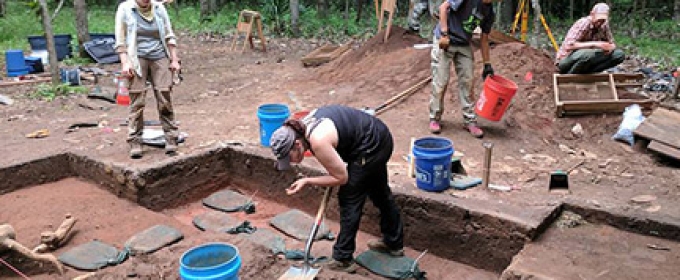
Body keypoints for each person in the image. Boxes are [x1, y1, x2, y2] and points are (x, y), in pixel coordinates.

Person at [270, 105, 404, 273]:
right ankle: (394, 243)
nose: (290, 162)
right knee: (379, 192)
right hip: (375, 136)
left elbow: (341, 178)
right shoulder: (300, 128)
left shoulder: (317, 141)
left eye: (289, 157)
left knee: (350, 198)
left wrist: (308, 180)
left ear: (297, 144)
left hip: (371, 145)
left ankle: (343, 258)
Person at [115, 0, 181, 158]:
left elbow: (169, 35)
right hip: (136, 57)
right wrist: (125, 63)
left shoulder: (159, 8)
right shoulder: (125, 9)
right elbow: (121, 40)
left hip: (159, 55)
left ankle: (171, 137)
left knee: (164, 95)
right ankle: (135, 140)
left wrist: (174, 60)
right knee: (137, 100)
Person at [429, 0, 497, 137]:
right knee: (441, 81)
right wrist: (444, 33)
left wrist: (487, 64)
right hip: (446, 39)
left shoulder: (489, 12)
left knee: (468, 81)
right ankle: (434, 118)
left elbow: (484, 39)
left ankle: (469, 120)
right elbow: (443, 7)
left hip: (464, 43)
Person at [555, 3, 624, 74]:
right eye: (598, 19)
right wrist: (595, 44)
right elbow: (569, 45)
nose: (600, 23)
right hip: (567, 59)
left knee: (618, 54)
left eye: (603, 20)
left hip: (589, 59)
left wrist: (610, 47)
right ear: (592, 14)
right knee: (588, 54)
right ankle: (569, 76)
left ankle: (590, 72)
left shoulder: (604, 25)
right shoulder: (584, 23)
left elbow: (612, 43)